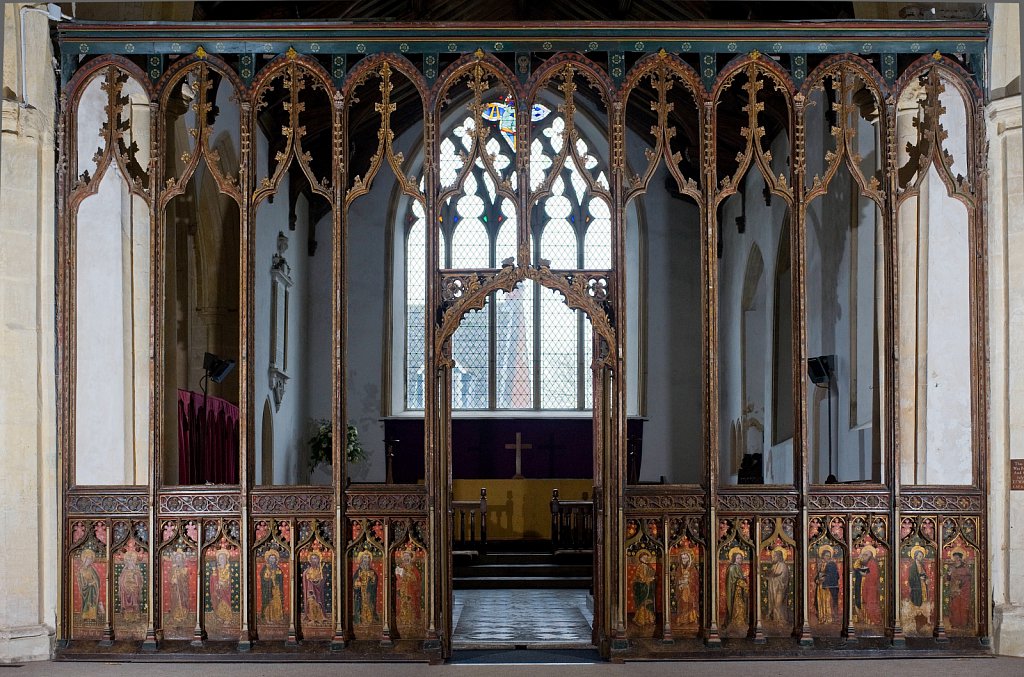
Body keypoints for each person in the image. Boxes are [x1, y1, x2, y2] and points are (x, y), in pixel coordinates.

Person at [852, 545, 880, 625]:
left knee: (869, 601)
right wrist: (859, 558)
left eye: (866, 555)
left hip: (870, 588)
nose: (864, 556)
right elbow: (855, 567)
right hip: (861, 585)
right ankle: (862, 618)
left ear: (871, 556)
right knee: (860, 601)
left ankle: (870, 620)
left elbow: (874, 576)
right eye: (864, 554)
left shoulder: (872, 563)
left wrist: (865, 574)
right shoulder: (862, 562)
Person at [394, 548, 422, 626]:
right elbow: (397, 578)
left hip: (411, 591)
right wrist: (399, 576)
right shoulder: (400, 567)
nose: (406, 558)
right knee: (402, 605)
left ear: (411, 557)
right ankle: (402, 620)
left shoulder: (414, 569)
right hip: (402, 589)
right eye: (405, 556)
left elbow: (417, 579)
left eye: (408, 556)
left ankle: (411, 621)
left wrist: (410, 576)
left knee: (410, 605)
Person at [945, 550, 972, 629]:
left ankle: (964, 624)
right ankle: (955, 623)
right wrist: (949, 575)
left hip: (963, 591)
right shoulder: (951, 568)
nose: (956, 559)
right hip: (954, 590)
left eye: (957, 558)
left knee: (963, 606)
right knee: (954, 606)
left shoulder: (965, 568)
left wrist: (961, 581)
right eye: (954, 558)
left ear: (960, 559)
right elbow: (948, 579)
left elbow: (969, 578)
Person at [813, 547, 840, 624]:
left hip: (827, 586)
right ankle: (822, 617)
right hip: (820, 586)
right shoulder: (821, 564)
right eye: (826, 555)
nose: (827, 557)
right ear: (822, 556)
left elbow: (835, 576)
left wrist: (825, 578)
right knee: (820, 601)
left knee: (827, 601)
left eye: (829, 556)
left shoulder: (832, 564)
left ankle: (828, 618)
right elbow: (818, 575)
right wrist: (817, 579)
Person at [353, 550, 379, 625]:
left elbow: (374, 583)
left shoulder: (372, 572)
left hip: (369, 593)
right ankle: (359, 619)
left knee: (369, 604)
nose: (366, 560)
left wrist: (373, 579)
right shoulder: (358, 572)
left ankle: (369, 619)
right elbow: (355, 582)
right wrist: (357, 583)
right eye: (365, 558)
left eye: (368, 558)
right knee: (360, 605)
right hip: (360, 593)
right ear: (361, 560)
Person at [764, 548, 790, 623]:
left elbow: (783, 578)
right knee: (774, 604)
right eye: (773, 556)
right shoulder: (774, 566)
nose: (773, 557)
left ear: (779, 556)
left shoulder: (782, 565)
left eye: (774, 556)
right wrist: (768, 576)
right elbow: (772, 575)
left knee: (778, 604)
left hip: (780, 589)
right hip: (774, 588)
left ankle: (781, 621)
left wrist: (772, 577)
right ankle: (776, 620)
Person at [673, 549, 698, 626]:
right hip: (681, 589)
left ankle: (691, 618)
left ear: (689, 559)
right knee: (682, 604)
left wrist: (688, 581)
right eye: (682, 558)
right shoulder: (679, 569)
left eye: (685, 558)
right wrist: (680, 582)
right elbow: (676, 579)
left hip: (689, 589)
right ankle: (682, 620)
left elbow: (695, 579)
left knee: (689, 604)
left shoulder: (692, 569)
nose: (684, 560)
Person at [726, 550, 748, 629]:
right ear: (734, 558)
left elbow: (740, 578)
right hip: (735, 592)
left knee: (741, 606)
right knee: (737, 606)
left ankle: (740, 622)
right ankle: (736, 622)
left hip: (740, 591)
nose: (740, 560)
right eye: (738, 558)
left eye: (741, 558)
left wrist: (743, 578)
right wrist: (742, 580)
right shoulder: (732, 567)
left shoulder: (738, 567)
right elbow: (734, 580)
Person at [260, 549, 285, 623]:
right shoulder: (265, 568)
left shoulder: (278, 569)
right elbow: (263, 578)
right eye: (271, 558)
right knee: (268, 602)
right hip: (268, 589)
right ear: (268, 559)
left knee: (277, 602)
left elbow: (280, 579)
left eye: (274, 558)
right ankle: (268, 618)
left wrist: (277, 578)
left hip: (276, 588)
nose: (272, 560)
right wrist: (269, 579)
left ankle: (277, 618)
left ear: (276, 559)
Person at [302, 552, 327, 623]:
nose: (314, 560)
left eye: (315, 558)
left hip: (318, 590)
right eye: (312, 558)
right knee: (311, 602)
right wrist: (309, 579)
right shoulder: (307, 571)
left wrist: (318, 580)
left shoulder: (321, 571)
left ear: (318, 560)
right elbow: (306, 579)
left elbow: (322, 580)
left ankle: (320, 618)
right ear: (310, 560)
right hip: (310, 590)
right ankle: (312, 618)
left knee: (318, 603)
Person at [118, 549, 143, 619]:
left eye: (132, 560)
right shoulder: (124, 571)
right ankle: (127, 615)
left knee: (134, 600)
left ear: (134, 561)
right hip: (126, 589)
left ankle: (135, 615)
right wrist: (124, 586)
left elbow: (139, 581)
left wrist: (135, 584)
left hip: (134, 589)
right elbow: (121, 581)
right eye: (129, 560)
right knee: (126, 601)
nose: (130, 562)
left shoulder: (136, 571)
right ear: (126, 561)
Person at [78, 548, 101, 622]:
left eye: (91, 559)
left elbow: (97, 578)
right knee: (87, 603)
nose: (90, 561)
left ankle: (92, 616)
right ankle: (85, 616)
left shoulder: (92, 569)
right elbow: (81, 582)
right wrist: (88, 584)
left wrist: (95, 583)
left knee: (93, 602)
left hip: (93, 589)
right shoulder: (81, 570)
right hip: (87, 590)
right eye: (88, 559)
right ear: (84, 559)